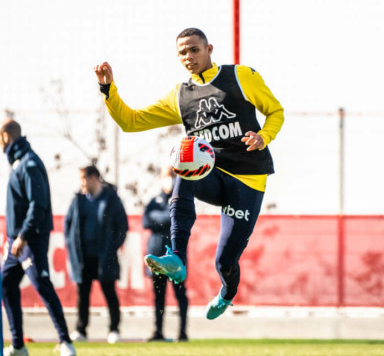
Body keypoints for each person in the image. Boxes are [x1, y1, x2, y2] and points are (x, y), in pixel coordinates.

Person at [94, 27, 284, 320]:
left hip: (247, 180)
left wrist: (264, 137)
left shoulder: (241, 77)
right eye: (182, 52)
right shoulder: (181, 95)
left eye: (194, 50)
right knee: (183, 162)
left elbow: (276, 111)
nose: (188, 57)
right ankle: (177, 257)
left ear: (209, 49)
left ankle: (227, 293)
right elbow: (131, 122)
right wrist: (108, 90)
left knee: (225, 261)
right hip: (214, 176)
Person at [0, 119, 76, 356]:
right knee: (6, 284)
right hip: (16, 240)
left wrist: (23, 235)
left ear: (5, 136)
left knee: (42, 285)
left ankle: (66, 342)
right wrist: (12, 237)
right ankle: (19, 345)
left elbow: (38, 204)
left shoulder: (29, 163)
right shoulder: (18, 163)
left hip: (29, 239)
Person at [64, 165, 128, 344]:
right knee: (82, 295)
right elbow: (68, 226)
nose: (82, 183)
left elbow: (122, 227)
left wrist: (112, 248)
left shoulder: (111, 198)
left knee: (109, 293)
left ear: (94, 178)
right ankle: (81, 330)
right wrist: (72, 248)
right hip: (83, 258)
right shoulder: (78, 200)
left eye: (84, 179)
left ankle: (114, 329)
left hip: (104, 258)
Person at [142, 167, 188, 342]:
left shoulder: (181, 199)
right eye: (165, 177)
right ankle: (158, 331)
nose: (168, 180)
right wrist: (167, 216)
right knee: (159, 297)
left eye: (171, 177)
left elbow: (177, 218)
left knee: (180, 295)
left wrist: (159, 218)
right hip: (156, 256)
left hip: (176, 257)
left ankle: (182, 332)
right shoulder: (154, 200)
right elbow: (146, 220)